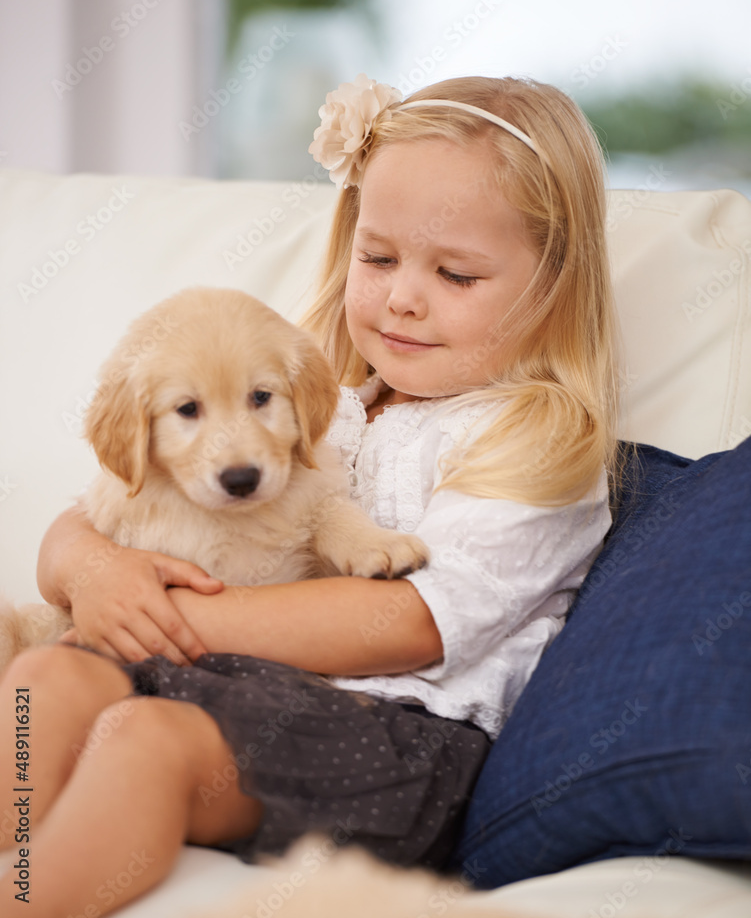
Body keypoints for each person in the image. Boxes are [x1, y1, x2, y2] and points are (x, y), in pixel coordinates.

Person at [0, 73, 618, 916]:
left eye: (456, 275)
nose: (402, 295)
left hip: (402, 745)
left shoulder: (535, 440)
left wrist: (166, 625)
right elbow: (89, 517)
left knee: (141, 740)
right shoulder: (319, 399)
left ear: (552, 283)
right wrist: (99, 576)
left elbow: (410, 624)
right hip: (237, 688)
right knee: (48, 675)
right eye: (378, 257)